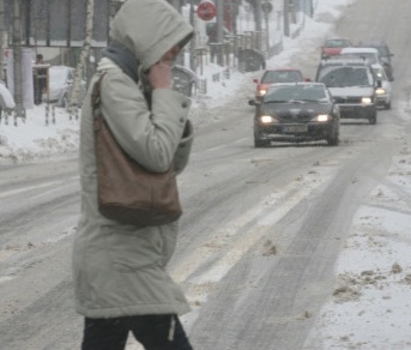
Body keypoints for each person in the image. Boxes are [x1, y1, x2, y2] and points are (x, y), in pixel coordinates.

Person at [72, 0, 195, 349]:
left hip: (121, 255)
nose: (173, 53)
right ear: (146, 37)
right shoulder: (115, 85)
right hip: (124, 258)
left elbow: (164, 165)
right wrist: (164, 92)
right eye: (168, 43)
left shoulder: (127, 84)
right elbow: (157, 156)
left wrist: (172, 119)